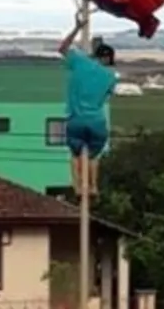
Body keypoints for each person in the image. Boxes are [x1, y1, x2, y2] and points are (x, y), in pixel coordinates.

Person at [58, 14, 117, 197]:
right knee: (93, 156)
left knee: (75, 155)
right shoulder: (110, 77)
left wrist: (77, 28)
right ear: (108, 60)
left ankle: (77, 187)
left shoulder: (79, 61)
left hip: (75, 119)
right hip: (97, 122)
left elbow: (62, 48)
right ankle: (92, 186)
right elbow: (107, 96)